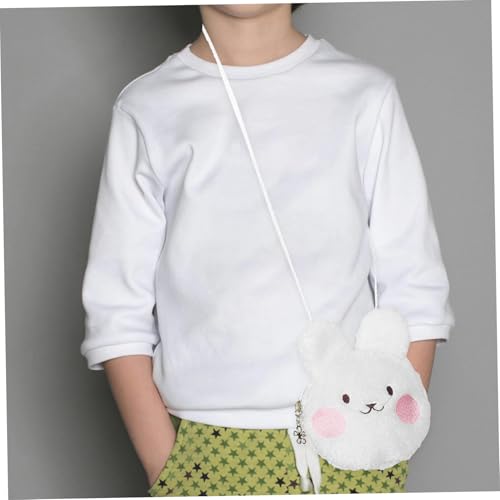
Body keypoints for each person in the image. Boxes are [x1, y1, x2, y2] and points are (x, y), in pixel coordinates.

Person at [80, 3, 455, 496]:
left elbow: (414, 285)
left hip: (354, 434)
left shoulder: (364, 94)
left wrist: (391, 431)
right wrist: (166, 466)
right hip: (201, 446)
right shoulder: (148, 106)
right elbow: (116, 307)